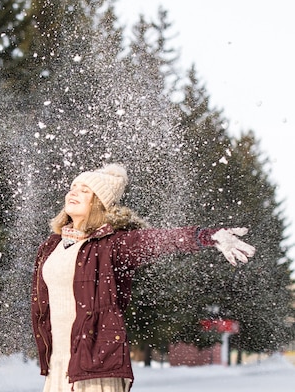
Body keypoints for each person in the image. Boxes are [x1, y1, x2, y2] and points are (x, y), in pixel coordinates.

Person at [30, 163, 255, 392]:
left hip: (95, 369)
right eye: (73, 187)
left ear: (98, 203)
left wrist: (206, 236)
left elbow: (156, 241)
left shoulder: (112, 245)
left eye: (85, 190)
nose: (74, 192)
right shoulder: (51, 246)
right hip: (58, 365)